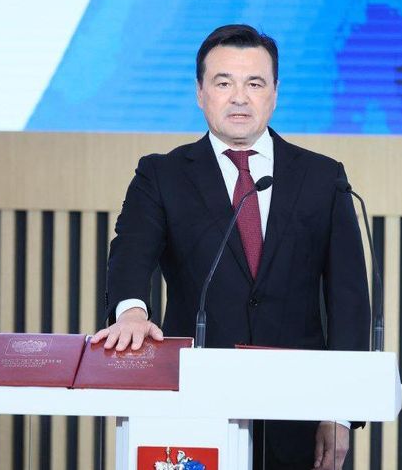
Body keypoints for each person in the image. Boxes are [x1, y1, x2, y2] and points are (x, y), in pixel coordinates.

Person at [91, 24, 370, 470]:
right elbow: (131, 251)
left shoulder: (322, 177)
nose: (239, 97)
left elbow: (349, 300)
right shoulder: (161, 175)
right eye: (224, 83)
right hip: (194, 404)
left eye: (254, 83)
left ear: (275, 93)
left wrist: (339, 411)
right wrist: (131, 312)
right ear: (200, 92)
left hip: (295, 409)